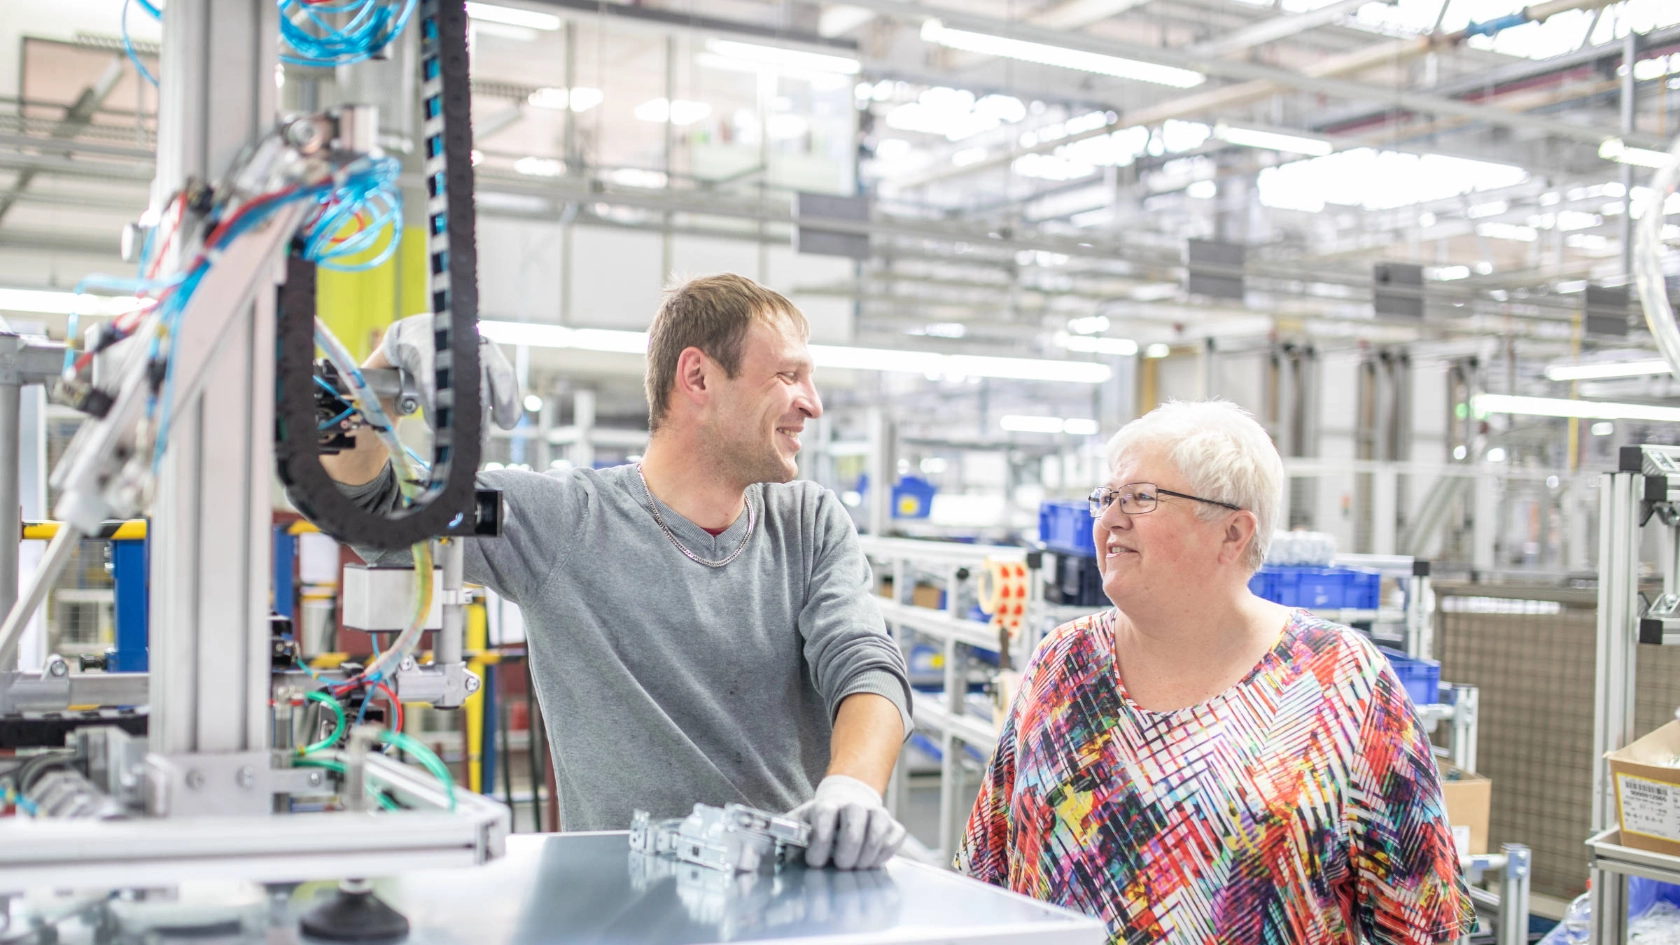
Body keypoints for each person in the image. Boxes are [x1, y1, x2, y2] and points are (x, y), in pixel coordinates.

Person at [309, 273, 911, 870]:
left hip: (786, 889)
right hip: (618, 900)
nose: (813, 402)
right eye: (788, 375)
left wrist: (851, 786)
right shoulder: (562, 521)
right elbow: (367, 509)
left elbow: (865, 662)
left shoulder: (809, 522)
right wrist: (381, 375)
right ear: (697, 377)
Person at [956, 399, 1473, 943]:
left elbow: (1425, 925)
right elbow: (985, 871)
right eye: (1106, 498)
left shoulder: (1343, 682)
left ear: (1233, 533)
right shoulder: (1063, 663)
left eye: (1140, 498)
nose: (1109, 519)